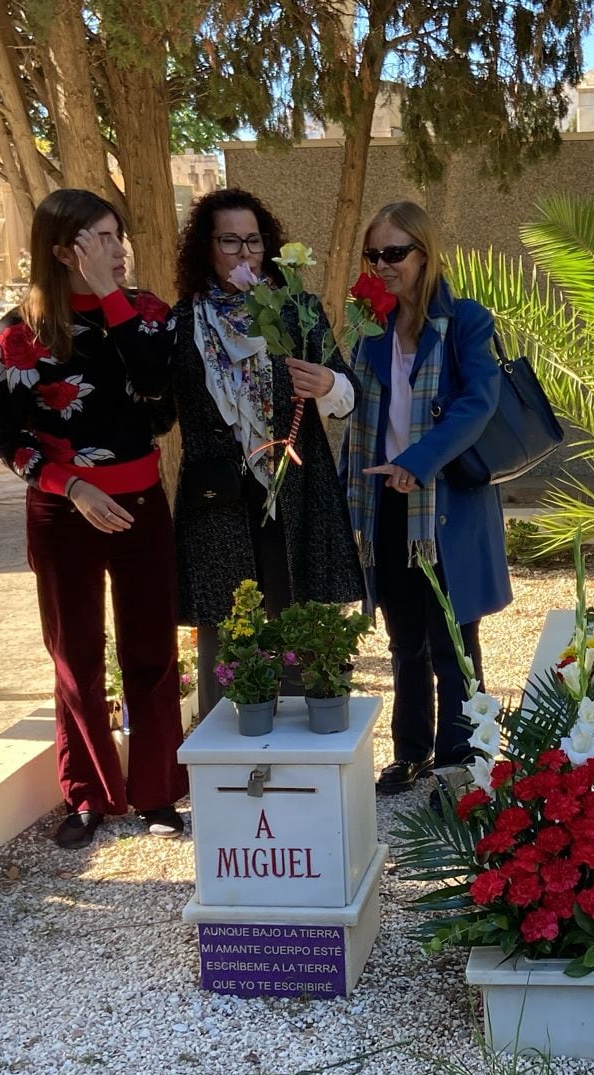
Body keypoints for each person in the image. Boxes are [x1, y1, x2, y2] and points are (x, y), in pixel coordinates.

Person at [0, 188, 186, 849]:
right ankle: (90, 795)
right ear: (64, 249)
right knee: (76, 656)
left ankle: (156, 793)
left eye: (118, 236)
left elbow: (161, 394)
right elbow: (2, 429)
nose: (119, 249)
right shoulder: (22, 332)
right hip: (65, 511)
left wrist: (114, 297)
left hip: (142, 505)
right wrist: (70, 486)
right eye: (102, 238)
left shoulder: (149, 314)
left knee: (151, 652)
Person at [168, 190, 364, 712]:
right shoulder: (182, 321)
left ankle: (307, 749)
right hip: (218, 498)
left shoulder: (295, 310)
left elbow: (347, 399)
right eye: (229, 240)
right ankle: (230, 754)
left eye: (253, 240)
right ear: (205, 248)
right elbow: (157, 407)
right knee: (224, 620)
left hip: (297, 486)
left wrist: (327, 384)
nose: (244, 253)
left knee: (301, 611)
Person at [344, 201, 512, 794]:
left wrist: (417, 463)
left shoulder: (464, 320)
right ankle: (410, 751)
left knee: (453, 637)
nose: (383, 265)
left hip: (444, 503)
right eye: (375, 255)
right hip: (385, 501)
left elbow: (477, 404)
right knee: (403, 638)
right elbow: (349, 395)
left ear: (424, 253)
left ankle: (459, 760)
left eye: (395, 253)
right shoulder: (369, 324)